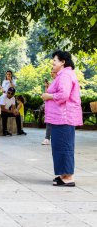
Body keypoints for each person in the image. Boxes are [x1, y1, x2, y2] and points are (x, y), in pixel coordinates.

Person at [42, 51, 82, 187]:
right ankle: (63, 174)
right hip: (60, 118)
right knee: (59, 146)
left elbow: (64, 94)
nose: (53, 62)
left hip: (65, 117)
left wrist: (48, 96)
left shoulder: (65, 75)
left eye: (55, 60)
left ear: (63, 62)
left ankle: (68, 177)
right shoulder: (63, 75)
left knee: (64, 146)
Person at [42, 69, 57, 145]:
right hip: (49, 106)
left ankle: (51, 138)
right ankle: (47, 138)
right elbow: (46, 93)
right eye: (51, 72)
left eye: (53, 72)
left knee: (54, 123)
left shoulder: (58, 82)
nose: (51, 74)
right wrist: (46, 87)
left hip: (56, 106)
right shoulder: (52, 83)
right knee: (49, 122)